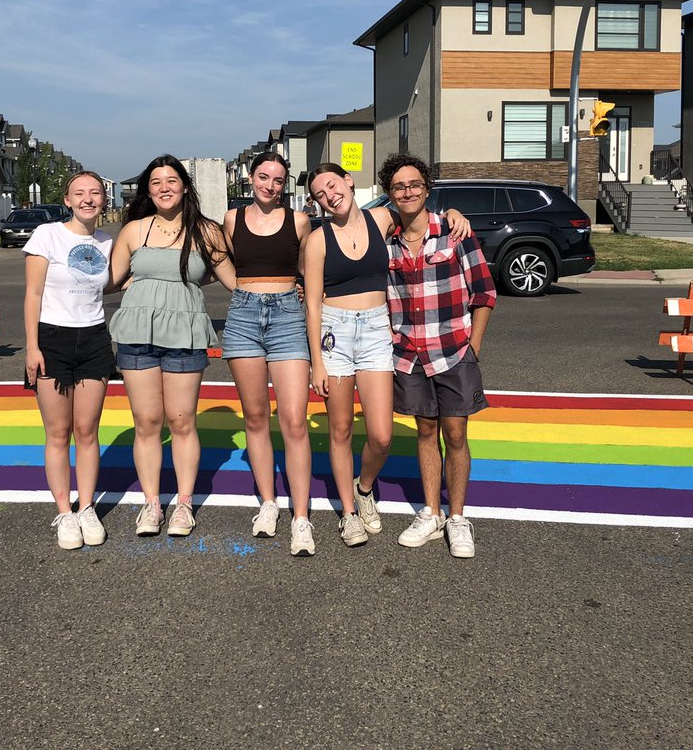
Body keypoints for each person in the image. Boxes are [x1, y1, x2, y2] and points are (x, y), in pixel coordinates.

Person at [303, 163, 470, 547]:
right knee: (341, 429)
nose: (329, 196)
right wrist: (318, 361)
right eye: (320, 194)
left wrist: (453, 214)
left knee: (381, 434)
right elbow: (311, 304)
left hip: (378, 330)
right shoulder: (318, 240)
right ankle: (348, 513)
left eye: (332, 185)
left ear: (348, 181)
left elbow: (419, 214)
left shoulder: (381, 219)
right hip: (334, 334)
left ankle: (364, 488)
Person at [109, 155, 235, 538]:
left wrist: (290, 284)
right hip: (137, 334)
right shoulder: (133, 230)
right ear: (148, 190)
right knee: (146, 423)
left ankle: (182, 504)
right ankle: (151, 504)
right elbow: (110, 280)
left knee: (181, 422)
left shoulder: (208, 232)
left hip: (185, 334)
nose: (165, 187)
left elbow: (235, 280)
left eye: (172, 180)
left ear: (184, 186)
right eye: (156, 182)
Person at [378, 155, 496, 559]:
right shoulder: (386, 239)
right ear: (389, 194)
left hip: (453, 351)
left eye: (414, 184)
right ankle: (431, 513)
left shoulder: (454, 232)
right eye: (398, 186)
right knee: (425, 432)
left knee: (456, 434)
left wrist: (473, 347)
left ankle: (458, 516)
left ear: (426, 189)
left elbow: (484, 293)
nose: (407, 192)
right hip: (408, 353)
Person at [221, 151, 315, 555]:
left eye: (278, 180)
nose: (270, 186)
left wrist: (306, 293)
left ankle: (301, 518)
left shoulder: (299, 221)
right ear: (251, 178)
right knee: (256, 417)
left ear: (285, 184)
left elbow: (314, 267)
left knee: (294, 420)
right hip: (243, 318)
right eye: (263, 178)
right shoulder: (232, 219)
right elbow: (220, 258)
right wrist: (238, 291)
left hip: (289, 318)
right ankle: (269, 503)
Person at [23, 171, 115, 550]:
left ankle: (87, 506)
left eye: (95, 193)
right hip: (52, 338)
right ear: (67, 199)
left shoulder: (109, 242)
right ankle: (64, 510)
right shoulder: (47, 235)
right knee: (58, 433)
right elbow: (33, 294)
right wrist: (32, 347)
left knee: (88, 430)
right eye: (80, 193)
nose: (88, 199)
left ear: (104, 200)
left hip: (94, 337)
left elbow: (128, 279)